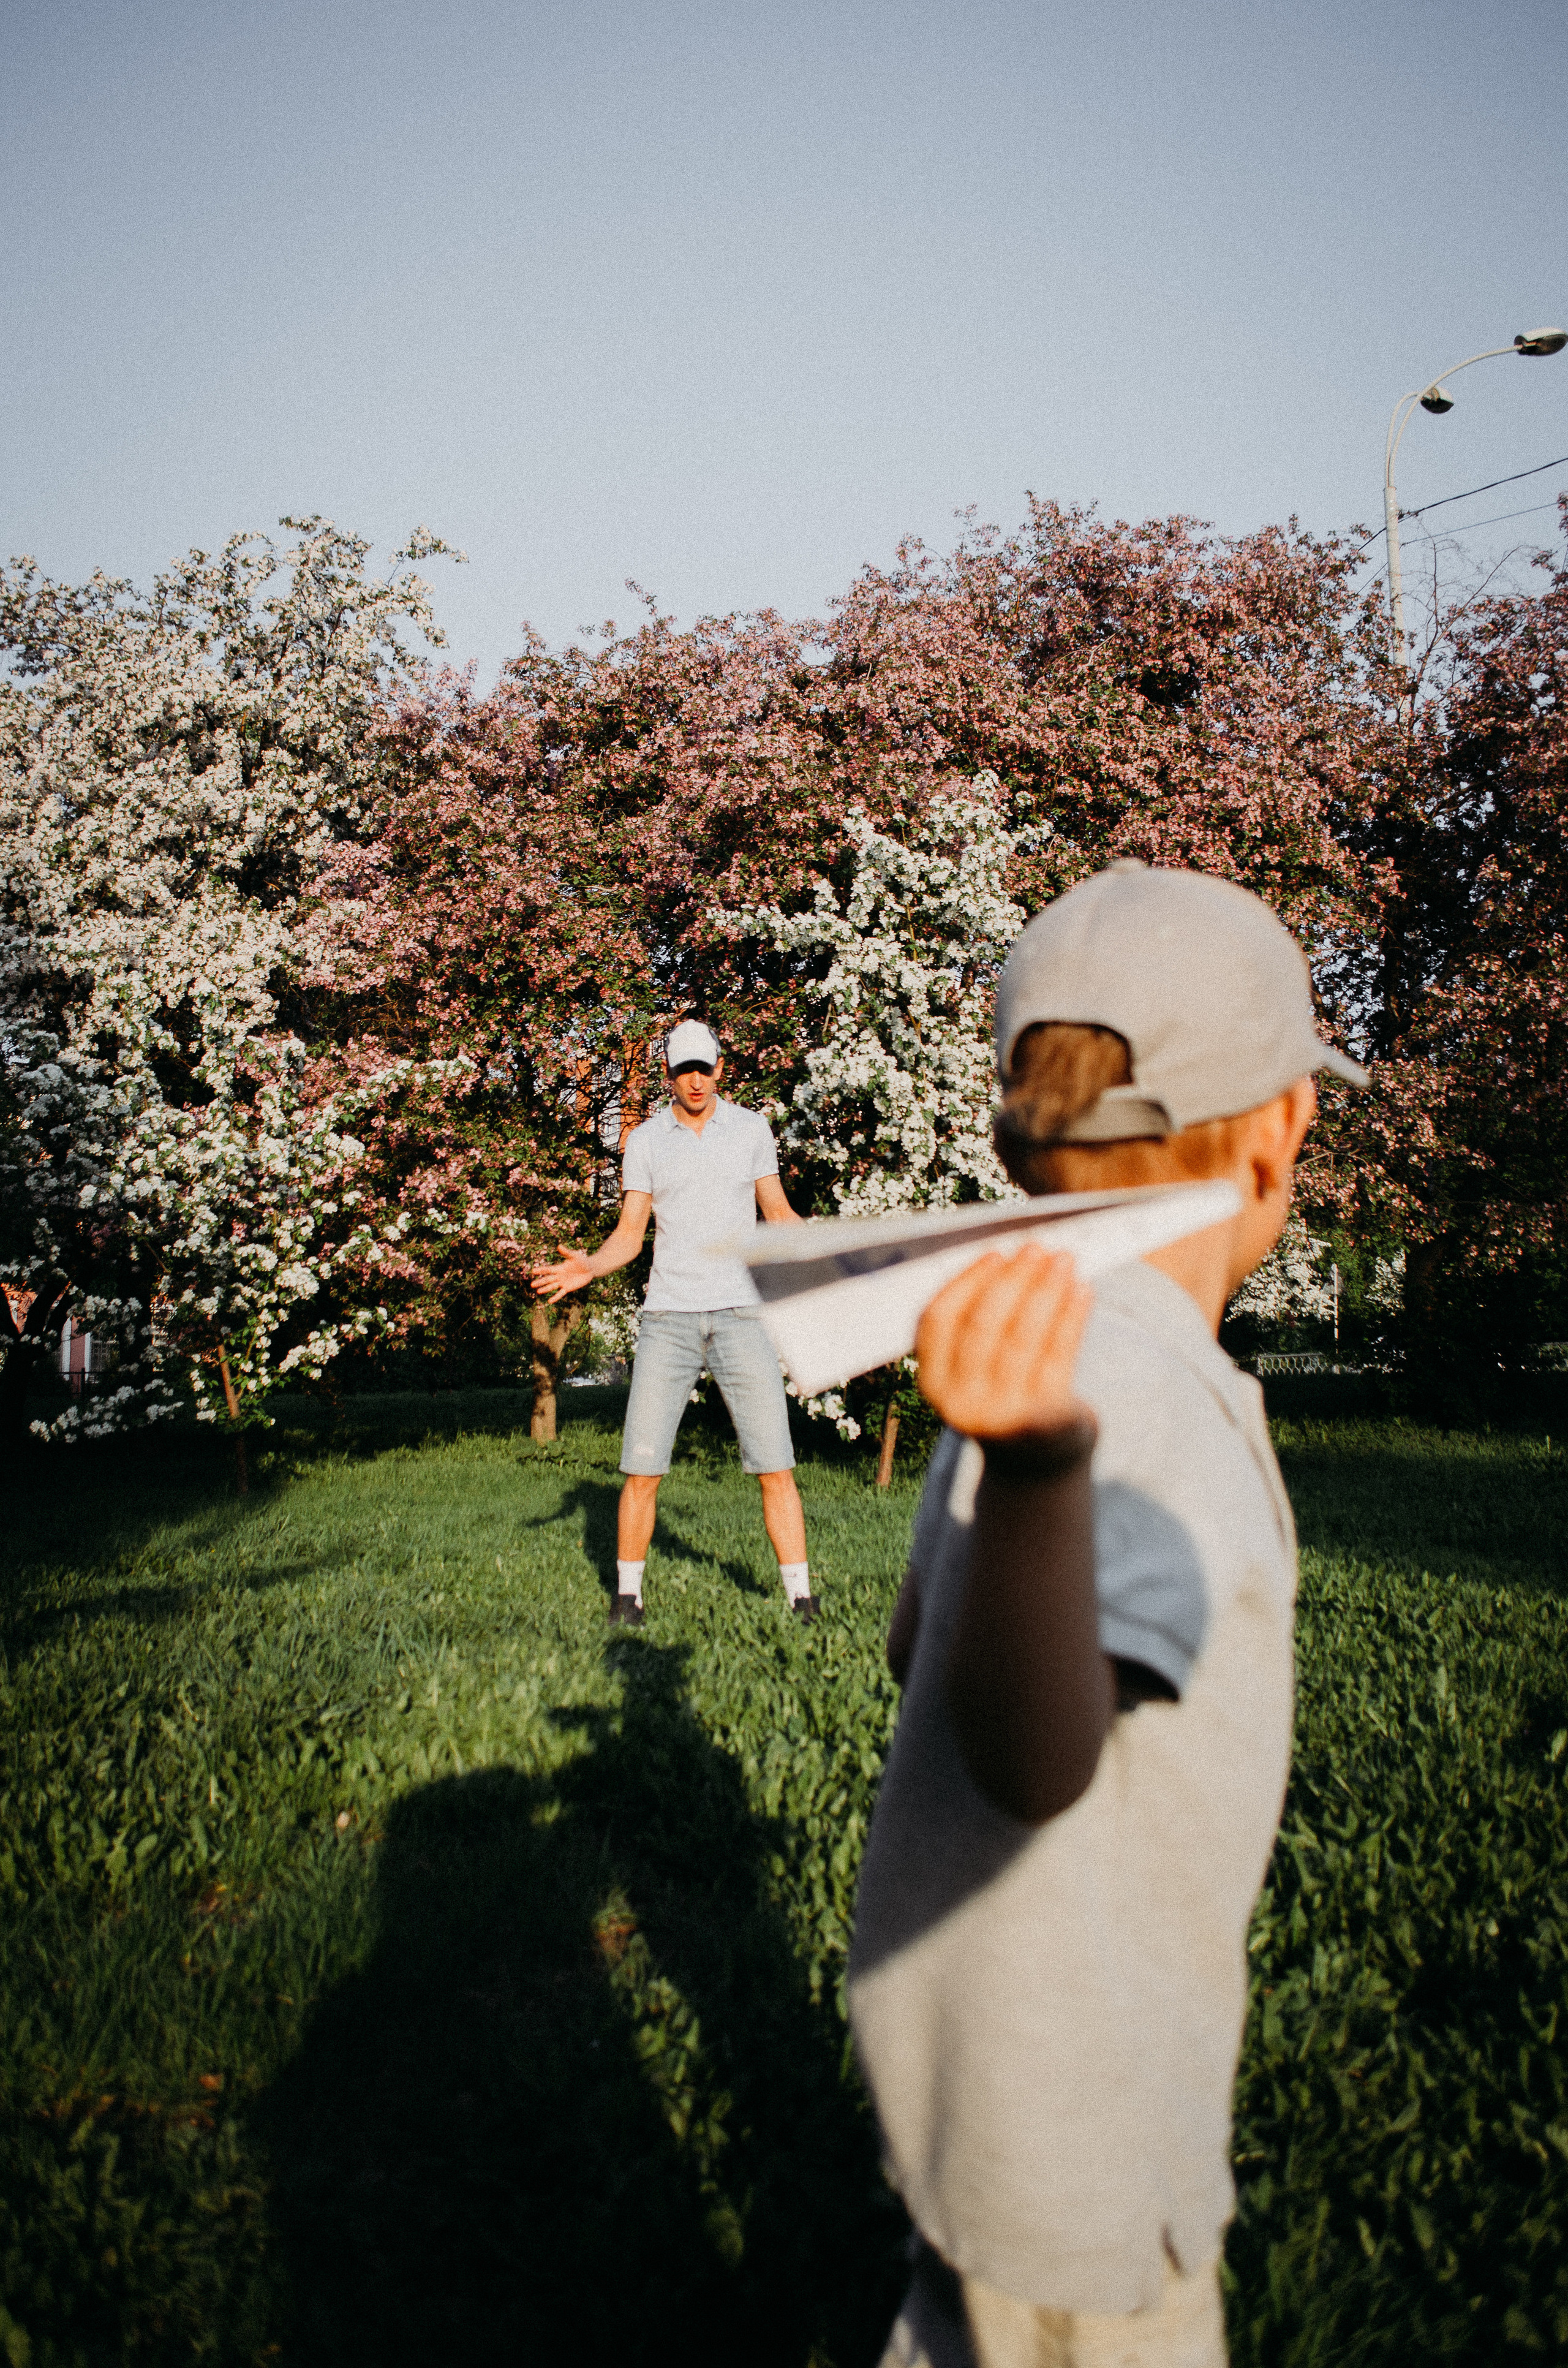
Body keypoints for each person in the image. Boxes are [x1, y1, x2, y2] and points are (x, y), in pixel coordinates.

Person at [846, 861, 1368, 2368]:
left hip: (974, 2077)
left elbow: (916, 1652)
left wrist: (1015, 1467)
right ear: (1280, 1130)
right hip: (1080, 2114)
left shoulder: (1041, 1345)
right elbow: (1030, 1762)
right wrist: (1038, 1474)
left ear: (1017, 1139)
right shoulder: (1131, 1393)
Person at [532, 1018, 815, 1627]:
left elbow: (777, 1211)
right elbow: (630, 1234)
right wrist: (590, 1266)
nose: (695, 1080)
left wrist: (826, 1249)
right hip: (669, 1318)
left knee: (776, 1464)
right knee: (642, 1468)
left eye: (704, 1068)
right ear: (668, 1074)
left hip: (741, 1316)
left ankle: (801, 1599)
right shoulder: (645, 1141)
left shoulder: (751, 1129)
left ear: (720, 1068)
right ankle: (627, 1597)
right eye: (684, 1070)